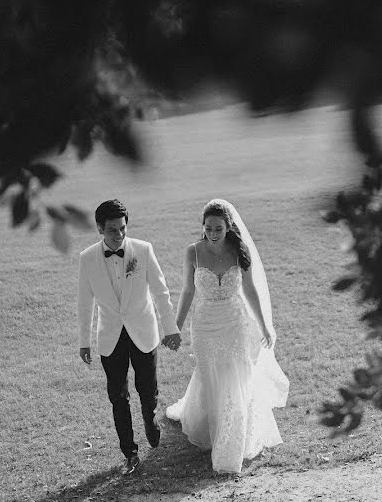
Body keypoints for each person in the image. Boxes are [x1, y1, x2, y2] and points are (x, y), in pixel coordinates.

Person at [165, 199, 289, 473]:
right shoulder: (193, 252)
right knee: (210, 375)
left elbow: (250, 291)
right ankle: (211, 425)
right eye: (208, 227)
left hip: (234, 323)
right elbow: (187, 291)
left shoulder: (238, 251)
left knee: (236, 375)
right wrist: (176, 326)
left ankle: (234, 437)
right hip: (205, 324)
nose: (212, 232)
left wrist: (265, 326)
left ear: (228, 227)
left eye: (218, 228)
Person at [77, 199, 182, 476]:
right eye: (112, 230)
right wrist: (83, 341)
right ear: (100, 228)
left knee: (147, 390)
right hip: (110, 336)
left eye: (122, 228)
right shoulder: (87, 258)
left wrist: (170, 327)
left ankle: (150, 419)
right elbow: (84, 303)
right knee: (117, 396)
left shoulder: (143, 250)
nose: (119, 234)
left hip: (143, 331)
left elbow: (161, 291)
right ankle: (130, 452)